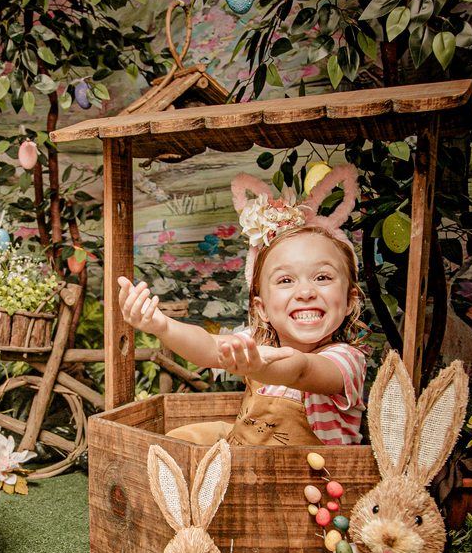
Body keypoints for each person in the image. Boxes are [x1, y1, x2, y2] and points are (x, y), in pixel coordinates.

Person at [119, 165, 368, 447]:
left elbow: (302, 369)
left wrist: (259, 365)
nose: (306, 291)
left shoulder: (346, 360)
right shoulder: (256, 341)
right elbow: (207, 347)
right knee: (182, 438)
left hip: (310, 479)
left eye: (322, 277)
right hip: (245, 455)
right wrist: (161, 325)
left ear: (349, 302)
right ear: (261, 308)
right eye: (286, 280)